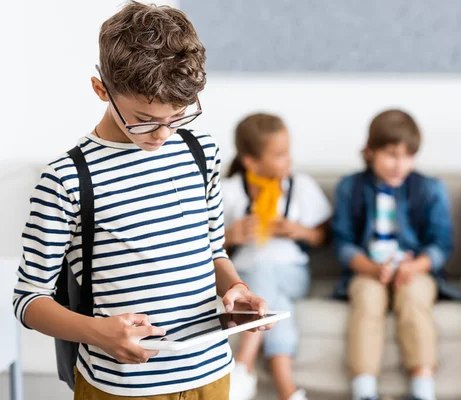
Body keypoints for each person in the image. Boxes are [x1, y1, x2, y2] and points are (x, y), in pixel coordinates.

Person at [12, 3, 271, 399]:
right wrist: (97, 332)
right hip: (122, 387)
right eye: (145, 118)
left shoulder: (201, 151)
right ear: (102, 89)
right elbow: (28, 300)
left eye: (178, 116)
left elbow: (212, 249)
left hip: (213, 373)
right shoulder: (66, 178)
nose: (163, 134)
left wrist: (235, 287)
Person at [331, 109, 455, 400]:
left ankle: (422, 389)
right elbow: (342, 242)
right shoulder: (350, 187)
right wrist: (371, 268)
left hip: (414, 271)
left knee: (414, 299)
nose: (400, 164)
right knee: (367, 299)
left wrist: (416, 267)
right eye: (391, 155)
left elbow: (441, 244)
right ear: (370, 151)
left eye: (407, 156)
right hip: (368, 270)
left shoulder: (429, 188)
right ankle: (365, 391)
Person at [223, 113, 332, 400]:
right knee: (276, 302)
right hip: (246, 279)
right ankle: (287, 388)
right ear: (251, 161)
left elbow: (324, 236)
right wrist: (231, 236)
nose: (289, 161)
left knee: (265, 272)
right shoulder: (231, 191)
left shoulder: (301, 187)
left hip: (292, 272)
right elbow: (203, 245)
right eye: (280, 155)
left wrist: (298, 231)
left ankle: (244, 364)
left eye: (288, 152)